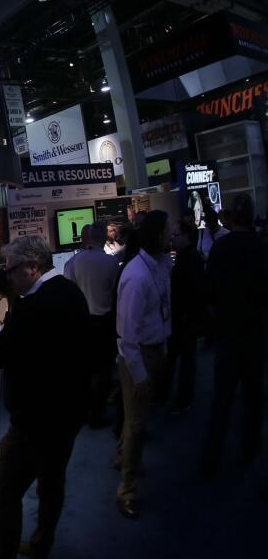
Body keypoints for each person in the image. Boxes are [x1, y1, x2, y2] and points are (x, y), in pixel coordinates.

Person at [0, 235, 89, 559]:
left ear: (32, 267)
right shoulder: (68, 291)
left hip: (37, 421)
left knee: (5, 493)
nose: (6, 276)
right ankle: (41, 543)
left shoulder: (32, 308)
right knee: (52, 482)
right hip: (69, 412)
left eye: (11, 269)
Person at [199, 195, 267, 475]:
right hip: (255, 337)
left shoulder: (221, 248)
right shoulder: (261, 248)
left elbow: (209, 295)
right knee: (253, 399)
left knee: (222, 400)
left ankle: (210, 460)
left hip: (228, 336)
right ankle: (249, 452)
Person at [113, 209, 171, 519]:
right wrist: (139, 374)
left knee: (135, 417)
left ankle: (122, 456)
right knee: (136, 424)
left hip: (155, 349)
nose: (171, 235)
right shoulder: (136, 276)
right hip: (139, 356)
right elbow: (126, 336)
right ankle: (126, 489)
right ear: (157, 235)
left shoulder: (161, 264)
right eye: (167, 231)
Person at [63, 223, 119, 428]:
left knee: (84, 370)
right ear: (103, 238)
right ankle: (97, 413)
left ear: (86, 238)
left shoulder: (73, 262)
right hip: (105, 324)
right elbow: (115, 293)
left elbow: (69, 293)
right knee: (104, 370)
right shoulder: (111, 263)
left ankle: (84, 412)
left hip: (82, 324)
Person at [165, 217, 205, 413]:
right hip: (182, 318)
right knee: (179, 357)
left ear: (187, 237)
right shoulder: (185, 257)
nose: (172, 238)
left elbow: (193, 293)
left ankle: (183, 398)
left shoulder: (191, 259)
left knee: (186, 360)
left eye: (176, 235)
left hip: (185, 319)